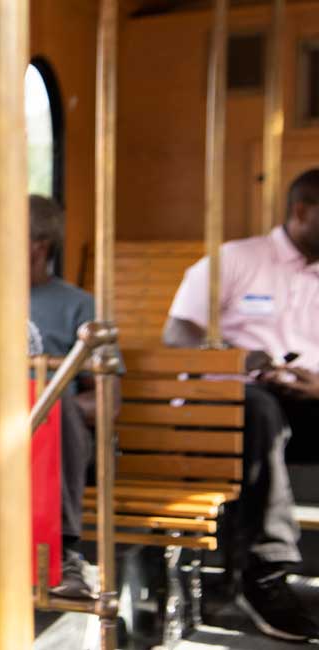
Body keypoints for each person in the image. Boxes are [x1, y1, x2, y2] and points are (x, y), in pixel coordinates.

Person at [0, 194, 119, 600]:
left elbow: (106, 402)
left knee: (58, 404)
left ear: (38, 247)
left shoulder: (80, 307)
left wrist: (44, 408)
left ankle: (64, 552)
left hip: (52, 436)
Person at [162, 168, 319, 642]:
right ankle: (265, 573)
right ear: (301, 212)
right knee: (258, 410)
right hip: (228, 401)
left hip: (303, 400)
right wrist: (236, 356)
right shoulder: (236, 259)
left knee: (273, 411)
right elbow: (178, 333)